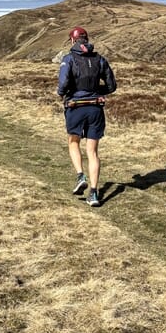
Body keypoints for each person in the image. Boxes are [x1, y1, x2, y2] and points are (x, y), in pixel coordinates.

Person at [57, 26, 117, 207]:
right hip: (95, 108)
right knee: (93, 151)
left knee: (73, 142)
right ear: (87, 39)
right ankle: (93, 193)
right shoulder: (100, 59)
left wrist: (63, 93)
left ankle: (80, 175)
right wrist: (97, 91)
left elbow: (63, 83)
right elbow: (112, 85)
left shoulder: (68, 59)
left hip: (75, 107)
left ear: (73, 41)